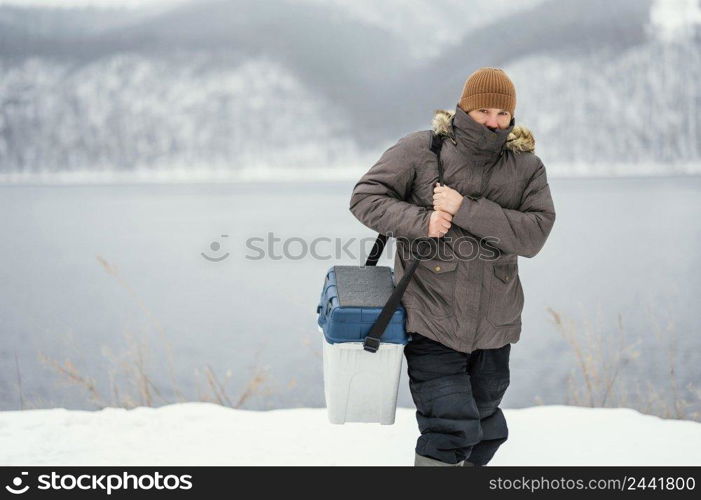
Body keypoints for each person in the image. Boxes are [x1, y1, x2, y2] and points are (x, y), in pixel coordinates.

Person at [348, 67, 556, 466]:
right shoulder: (421, 150)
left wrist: (465, 208)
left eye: (502, 113)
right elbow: (364, 197)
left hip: (495, 325)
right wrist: (421, 221)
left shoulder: (527, 166)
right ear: (463, 108)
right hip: (431, 318)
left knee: (487, 428)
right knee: (450, 428)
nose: (493, 122)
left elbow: (535, 234)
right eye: (483, 111)